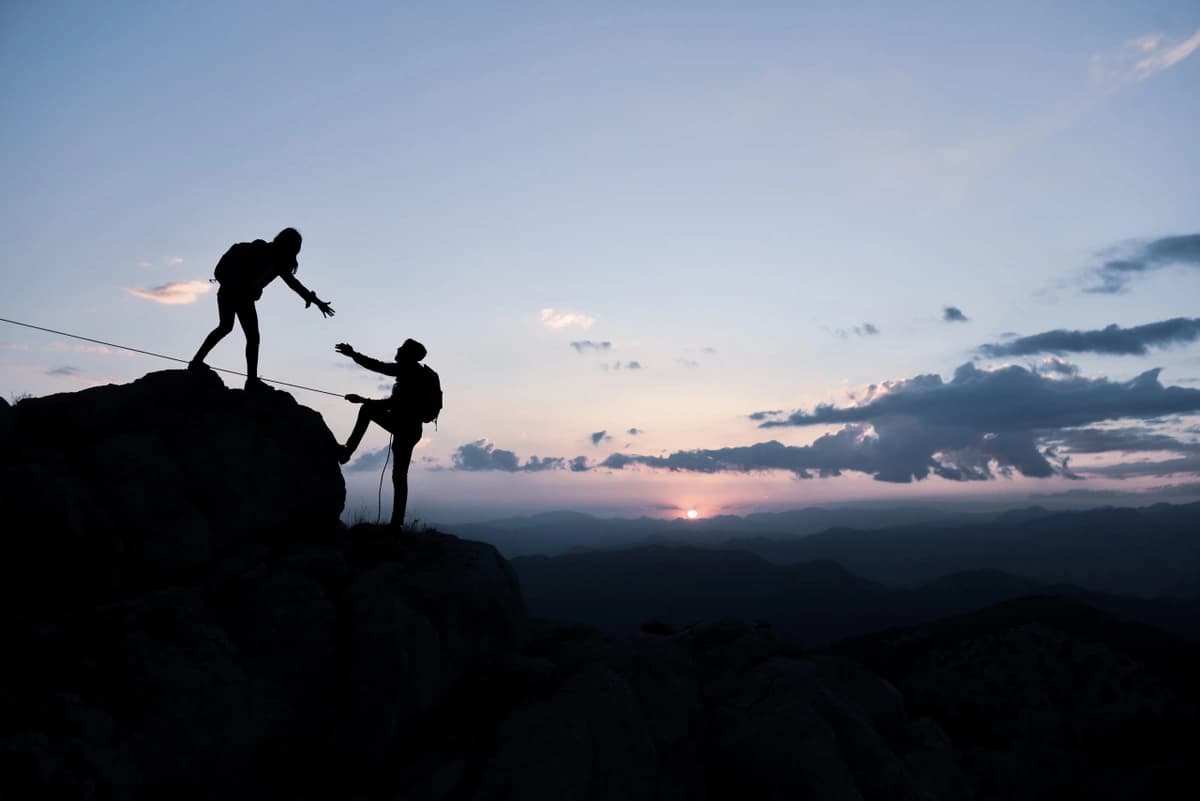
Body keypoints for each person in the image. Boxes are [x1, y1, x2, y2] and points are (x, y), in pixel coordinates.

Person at [190, 228, 334, 388]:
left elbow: (294, 284)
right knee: (251, 337)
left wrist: (314, 300)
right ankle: (251, 381)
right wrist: (315, 300)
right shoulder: (268, 255)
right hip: (240, 295)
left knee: (225, 327)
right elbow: (293, 284)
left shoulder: (272, 256)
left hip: (227, 292)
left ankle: (197, 362)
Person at [335, 338, 435, 527]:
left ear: (408, 354)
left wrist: (353, 355)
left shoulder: (408, 370)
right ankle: (396, 524)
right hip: (410, 429)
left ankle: (347, 451)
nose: (397, 349)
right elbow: (395, 402)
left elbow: (379, 368)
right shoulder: (414, 373)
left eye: (402, 348)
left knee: (367, 410)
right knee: (399, 476)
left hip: (405, 428)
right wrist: (365, 399)